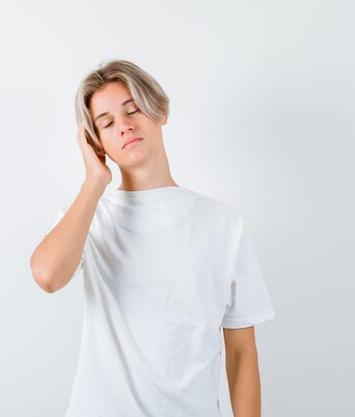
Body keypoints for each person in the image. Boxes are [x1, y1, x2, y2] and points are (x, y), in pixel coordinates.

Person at [29, 59, 276, 417]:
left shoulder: (223, 224)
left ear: (160, 110)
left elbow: (241, 352)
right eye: (107, 123)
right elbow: (47, 276)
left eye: (133, 110)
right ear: (95, 142)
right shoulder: (91, 218)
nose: (125, 126)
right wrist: (93, 182)